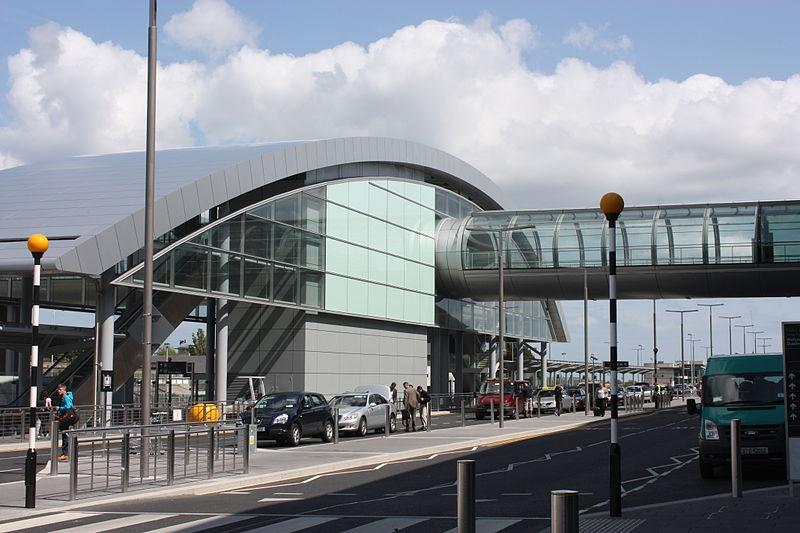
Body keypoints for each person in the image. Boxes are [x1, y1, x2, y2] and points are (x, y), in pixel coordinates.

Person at [54, 383, 78, 461]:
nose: (58, 391)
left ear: (64, 390)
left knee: (65, 435)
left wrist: (59, 408)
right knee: (65, 434)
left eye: (60, 389)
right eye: (58, 389)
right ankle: (66, 453)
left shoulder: (66, 397)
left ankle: (65, 454)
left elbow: (68, 406)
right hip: (68, 417)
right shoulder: (67, 396)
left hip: (67, 418)